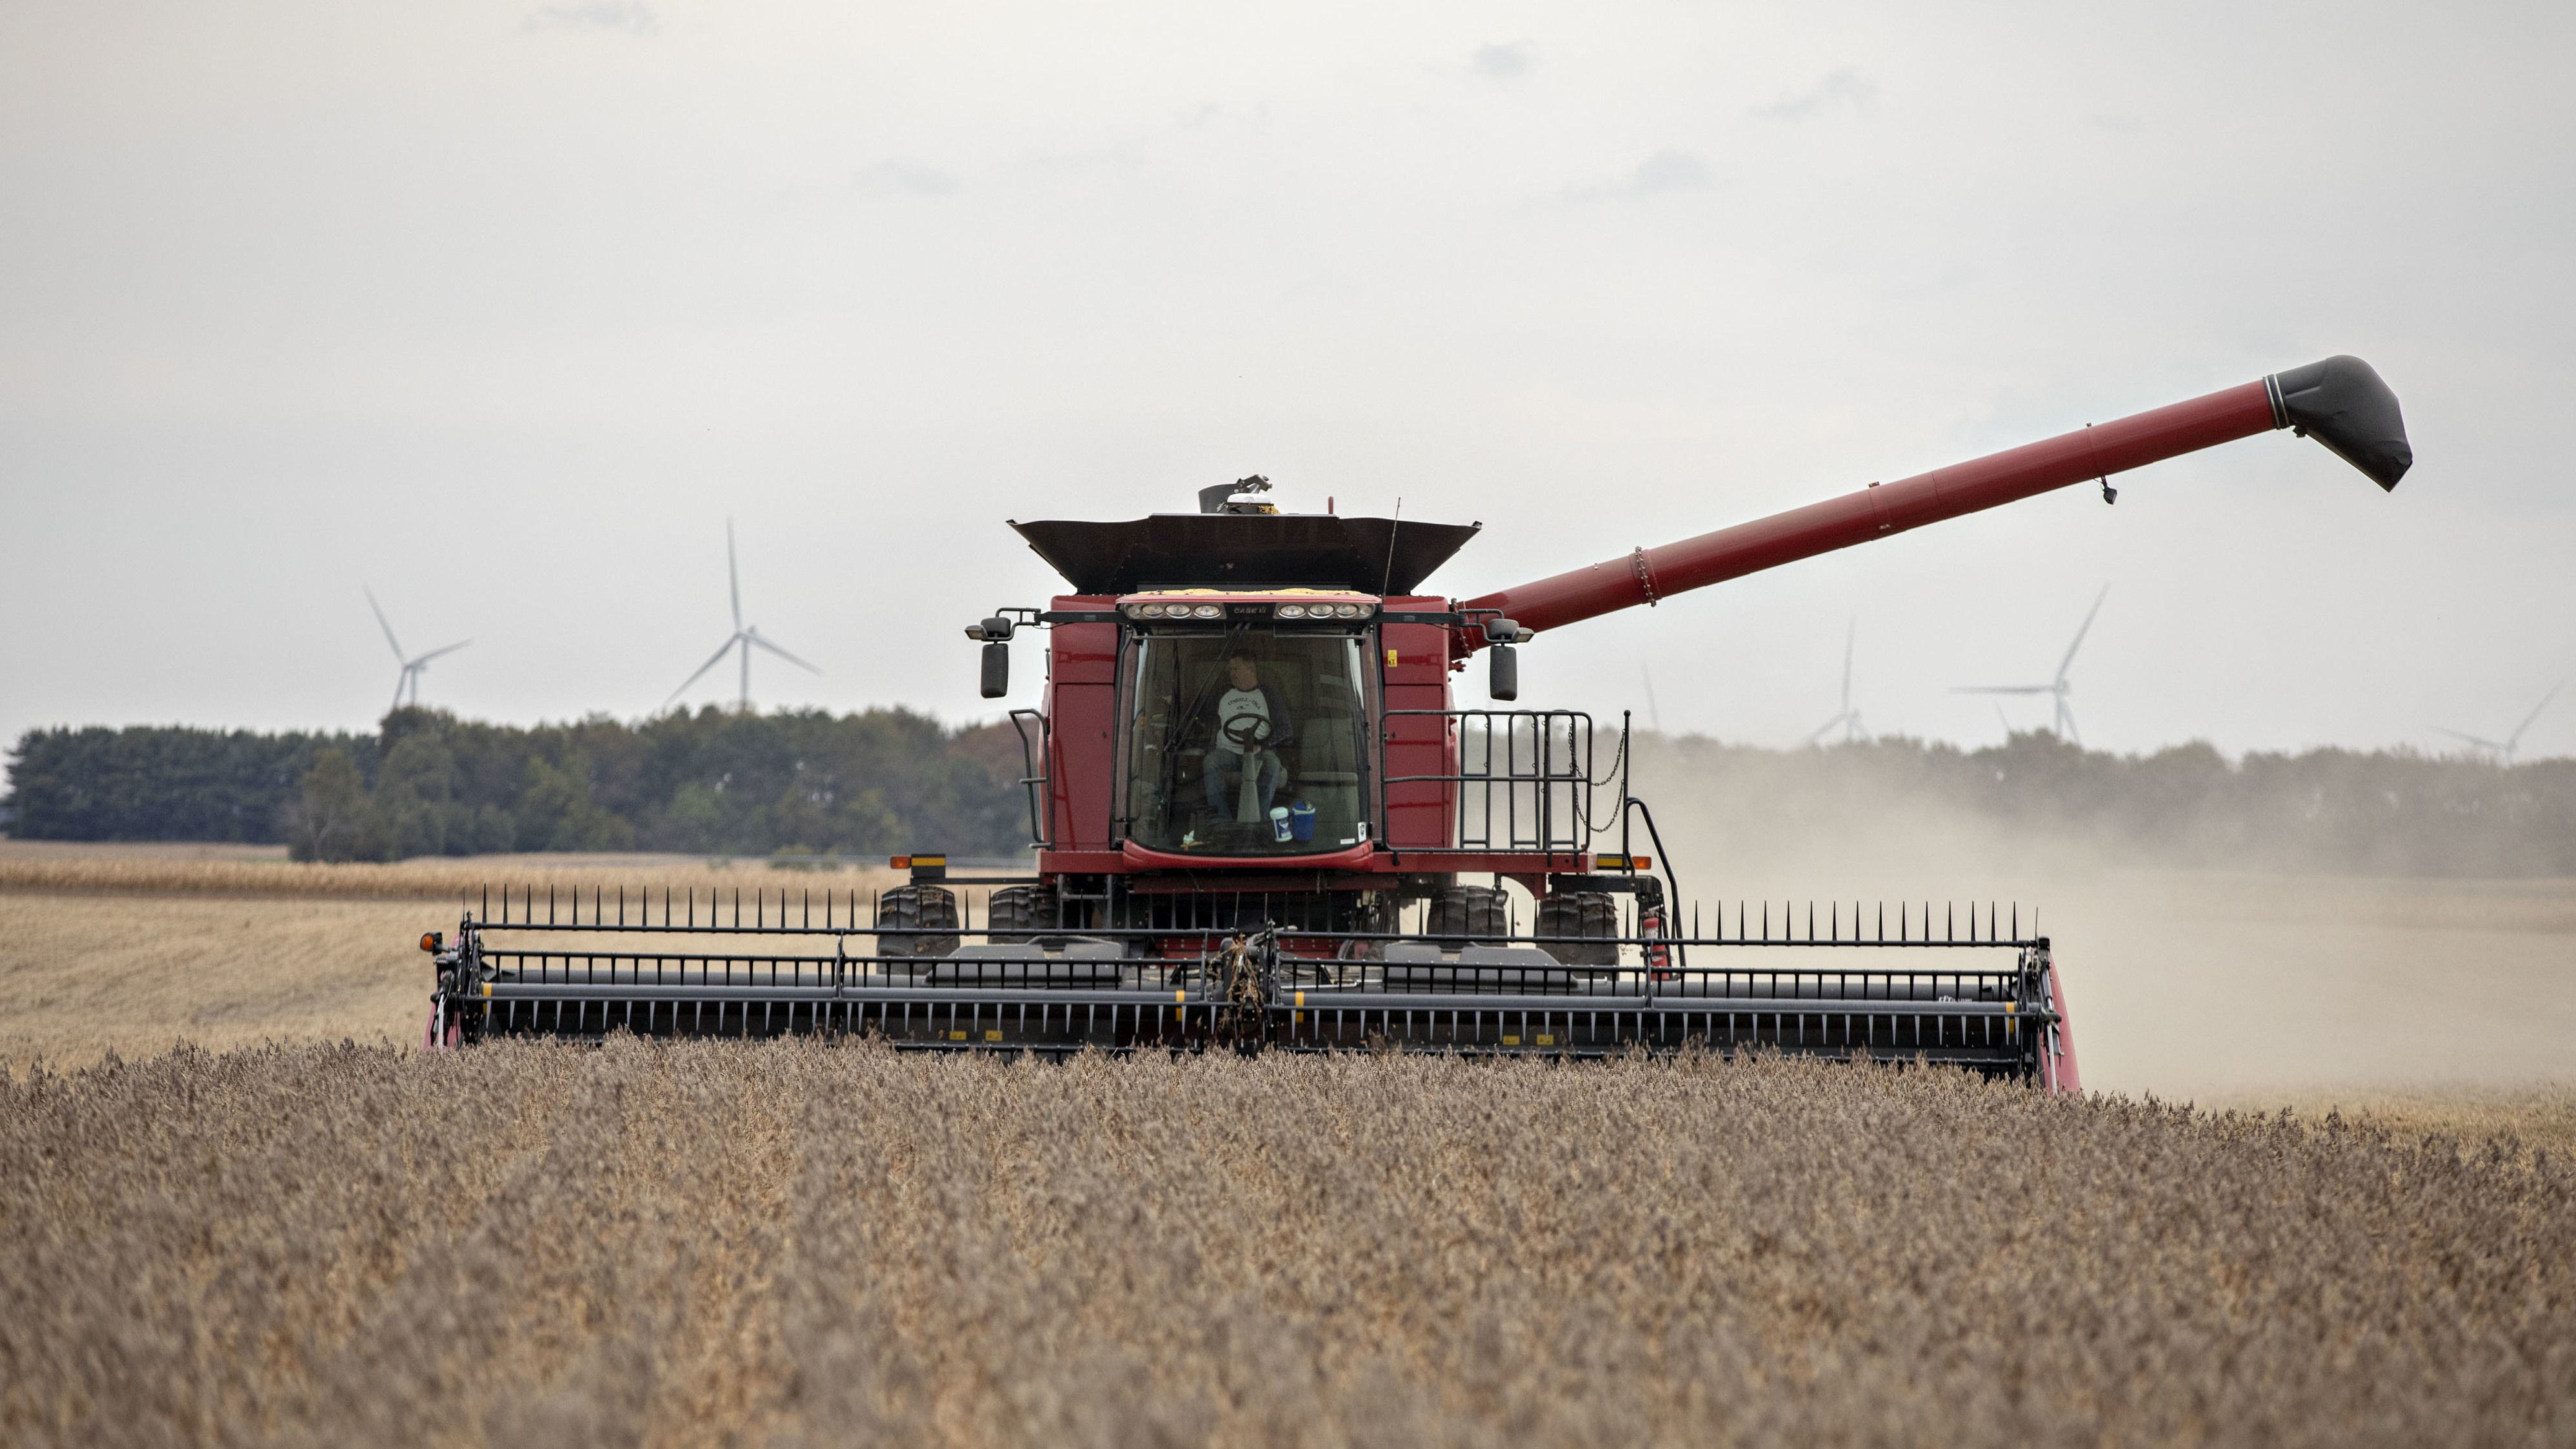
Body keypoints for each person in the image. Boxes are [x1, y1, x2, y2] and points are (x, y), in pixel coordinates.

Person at [1201, 647, 1296, 818]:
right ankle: (1220, 819)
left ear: (1251, 670)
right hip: (1227, 752)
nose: (1232, 674)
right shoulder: (1222, 693)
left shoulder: (1269, 695)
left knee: (1273, 764)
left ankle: (1258, 818)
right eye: (1230, 670)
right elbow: (1202, 717)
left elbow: (1286, 729)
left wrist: (1262, 745)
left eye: (1236, 669)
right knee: (1210, 761)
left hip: (1258, 754)